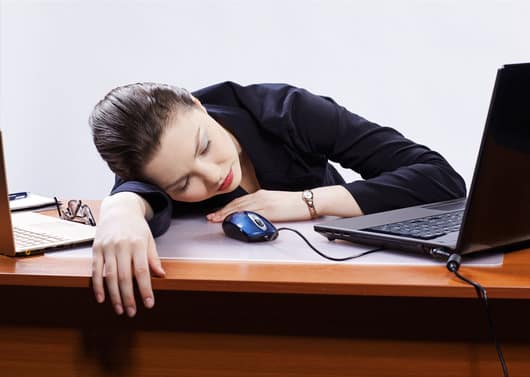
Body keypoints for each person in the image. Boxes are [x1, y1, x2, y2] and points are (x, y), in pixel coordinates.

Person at [89, 81, 466, 317]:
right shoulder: (152, 167)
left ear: (197, 105)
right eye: (184, 182)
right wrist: (119, 210)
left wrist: (307, 201)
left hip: (351, 285)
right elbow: (136, 194)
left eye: (204, 146)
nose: (213, 175)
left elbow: (441, 178)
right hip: (248, 306)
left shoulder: (287, 110)